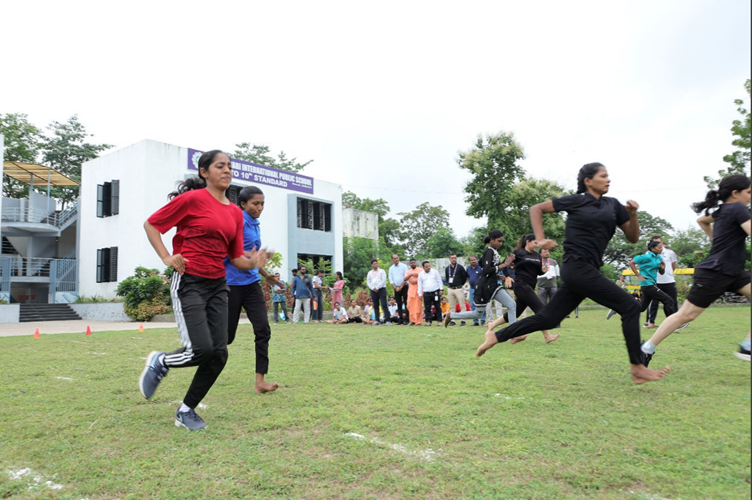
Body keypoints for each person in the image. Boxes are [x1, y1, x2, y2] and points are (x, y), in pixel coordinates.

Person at [476, 162, 670, 385]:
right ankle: (637, 367)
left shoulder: (614, 206)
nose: (608, 179)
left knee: (549, 318)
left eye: (608, 176)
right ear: (588, 181)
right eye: (603, 176)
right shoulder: (577, 200)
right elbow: (536, 209)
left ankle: (496, 335)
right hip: (576, 267)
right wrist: (540, 239)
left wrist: (633, 215)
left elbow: (633, 237)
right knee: (630, 306)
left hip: (586, 272)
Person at [138, 150, 269, 431]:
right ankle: (161, 360)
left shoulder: (234, 213)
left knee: (219, 353)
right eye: (220, 166)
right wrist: (166, 257)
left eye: (229, 166)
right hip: (190, 282)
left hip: (218, 285)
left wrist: (253, 263)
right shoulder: (192, 200)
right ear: (204, 172)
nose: (227, 170)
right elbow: (152, 225)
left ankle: (186, 410)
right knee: (201, 349)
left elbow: (235, 257)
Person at [641, 174, 751, 364]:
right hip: (715, 272)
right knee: (686, 315)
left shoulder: (722, 211)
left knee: (685, 315)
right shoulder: (738, 208)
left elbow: (702, 220)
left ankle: (747, 347)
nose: (750, 197)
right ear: (735, 193)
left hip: (732, 271)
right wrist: (718, 242)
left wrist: (717, 241)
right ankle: (645, 349)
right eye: (748, 192)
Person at [224, 185, 281, 395]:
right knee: (227, 337)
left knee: (263, 330)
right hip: (231, 285)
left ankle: (260, 381)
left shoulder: (255, 223)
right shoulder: (236, 221)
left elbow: (254, 256)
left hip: (251, 284)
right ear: (243, 204)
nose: (260, 208)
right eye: (255, 203)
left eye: (262, 204)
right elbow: (229, 251)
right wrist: (251, 256)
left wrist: (266, 275)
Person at [480, 234, 560, 344]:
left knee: (516, 312)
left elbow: (538, 272)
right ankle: (547, 336)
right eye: (535, 243)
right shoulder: (518, 253)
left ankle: (492, 325)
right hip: (521, 285)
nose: (537, 245)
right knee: (540, 308)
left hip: (530, 287)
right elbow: (504, 264)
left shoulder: (537, 256)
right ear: (528, 242)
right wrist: (507, 276)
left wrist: (543, 270)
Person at [443, 230, 517, 329]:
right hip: (485, 286)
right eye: (499, 241)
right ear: (492, 240)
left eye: (501, 241)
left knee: (511, 305)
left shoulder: (492, 252)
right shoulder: (489, 251)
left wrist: (497, 275)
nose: (501, 243)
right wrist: (505, 264)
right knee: (478, 314)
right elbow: (486, 269)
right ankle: (451, 315)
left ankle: (513, 332)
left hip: (493, 285)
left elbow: (482, 264)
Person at [608, 240, 681, 331]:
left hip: (652, 284)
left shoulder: (658, 258)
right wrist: (638, 275)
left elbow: (661, 273)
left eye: (661, 247)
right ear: (652, 248)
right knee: (669, 300)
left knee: (641, 308)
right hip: (647, 285)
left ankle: (618, 308)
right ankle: (674, 325)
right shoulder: (646, 257)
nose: (661, 249)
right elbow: (631, 263)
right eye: (659, 247)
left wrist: (663, 268)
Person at [645, 236, 679, 327]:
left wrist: (667, 274)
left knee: (672, 302)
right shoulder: (648, 254)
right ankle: (651, 322)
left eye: (659, 242)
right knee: (653, 303)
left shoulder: (670, 253)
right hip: (655, 282)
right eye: (655, 243)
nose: (658, 245)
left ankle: (674, 322)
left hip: (669, 281)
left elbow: (674, 265)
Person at [417, 260, 443, 326]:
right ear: (423, 267)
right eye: (426, 266)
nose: (428, 267)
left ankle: (439, 321)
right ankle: (428, 321)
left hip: (435, 292)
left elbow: (439, 281)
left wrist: (441, 289)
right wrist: (420, 294)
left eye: (429, 266)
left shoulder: (435, 272)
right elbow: (420, 285)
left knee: (437, 306)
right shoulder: (421, 274)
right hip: (426, 293)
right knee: (427, 307)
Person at [366, 259, 390, 325]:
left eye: (376, 263)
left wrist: (377, 287)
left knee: (384, 304)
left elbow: (384, 280)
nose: (375, 265)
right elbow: (368, 282)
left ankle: (387, 320)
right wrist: (373, 288)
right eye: (374, 264)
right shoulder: (369, 273)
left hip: (381, 289)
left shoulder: (382, 271)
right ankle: (377, 320)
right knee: (375, 305)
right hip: (373, 290)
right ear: (371, 265)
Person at [445, 253, 468, 318]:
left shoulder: (460, 267)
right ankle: (453, 319)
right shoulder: (447, 268)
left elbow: (464, 277)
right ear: (449, 259)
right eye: (452, 258)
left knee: (462, 305)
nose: (453, 259)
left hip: (458, 288)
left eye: (455, 258)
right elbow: (447, 278)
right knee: (451, 306)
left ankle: (463, 319)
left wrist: (460, 285)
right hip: (450, 289)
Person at [388, 254, 409, 324]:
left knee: (406, 303)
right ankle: (400, 320)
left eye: (397, 258)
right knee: (398, 303)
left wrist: (401, 287)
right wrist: (395, 287)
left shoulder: (404, 266)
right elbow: (391, 279)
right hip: (396, 288)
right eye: (394, 258)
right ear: (392, 260)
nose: (396, 259)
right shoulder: (391, 268)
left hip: (404, 286)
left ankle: (407, 319)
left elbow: (406, 277)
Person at [403, 259, 424, 325]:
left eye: (414, 262)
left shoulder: (421, 270)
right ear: (410, 264)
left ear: (416, 263)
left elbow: (424, 278)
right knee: (409, 305)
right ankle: (412, 320)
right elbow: (404, 279)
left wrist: (417, 279)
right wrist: (411, 275)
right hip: (411, 291)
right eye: (411, 263)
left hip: (419, 291)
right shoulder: (408, 271)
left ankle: (418, 321)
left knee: (418, 306)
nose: (413, 264)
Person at [465, 255, 485, 326]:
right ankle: (475, 321)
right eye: (472, 260)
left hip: (480, 289)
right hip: (472, 289)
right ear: (469, 261)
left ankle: (483, 321)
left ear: (477, 260)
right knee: (472, 305)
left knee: (482, 304)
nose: (473, 261)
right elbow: (468, 277)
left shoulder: (481, 267)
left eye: (474, 259)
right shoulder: (468, 268)